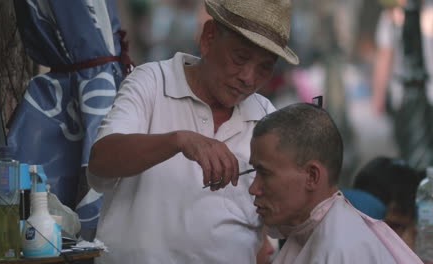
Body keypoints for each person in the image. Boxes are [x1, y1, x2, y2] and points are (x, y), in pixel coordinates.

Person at [87, 0, 299, 263]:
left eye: (264, 67)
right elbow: (100, 162)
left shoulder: (266, 116)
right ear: (208, 38)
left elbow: (280, 221)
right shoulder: (152, 83)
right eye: (240, 58)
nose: (249, 77)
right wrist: (178, 140)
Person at [248, 103, 422, 263]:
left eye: (264, 173)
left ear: (312, 176)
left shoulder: (342, 250)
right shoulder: (309, 234)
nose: (253, 188)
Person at [372, 0, 433, 169]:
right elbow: (384, 56)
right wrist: (379, 93)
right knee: (407, 152)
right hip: (404, 95)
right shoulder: (390, 17)